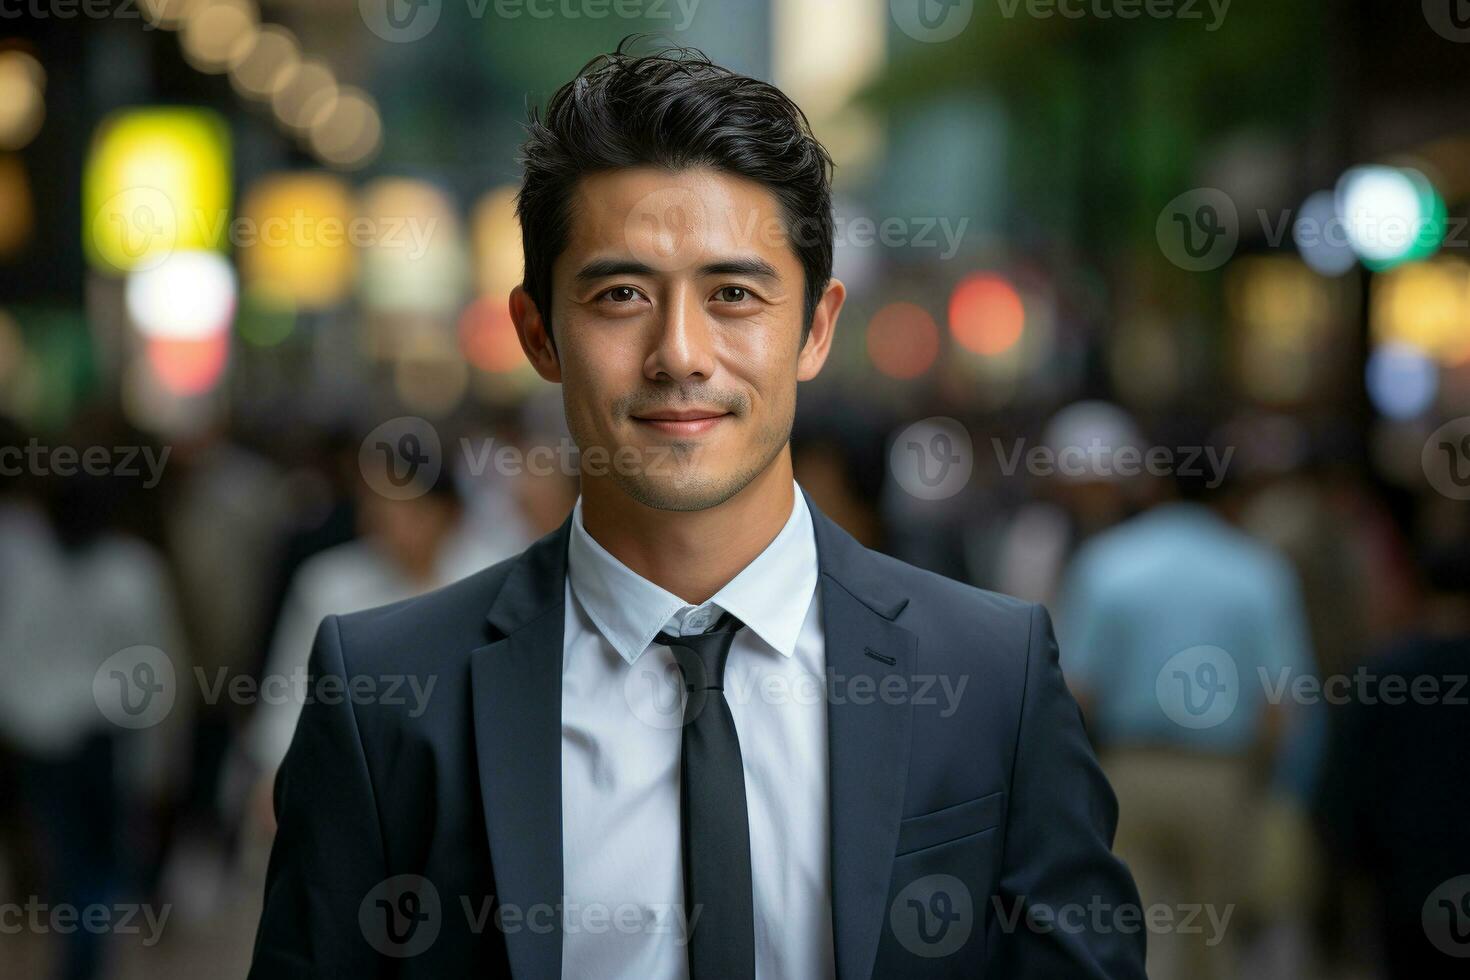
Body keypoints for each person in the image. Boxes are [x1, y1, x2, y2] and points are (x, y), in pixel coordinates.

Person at [249, 41, 1145, 979]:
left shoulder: (991, 676)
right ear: (537, 333)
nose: (680, 353)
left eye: (733, 294)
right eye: (622, 293)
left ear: (817, 327)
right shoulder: (388, 693)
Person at [1057, 457, 1314, 980]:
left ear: (1154, 487)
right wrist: (1263, 778)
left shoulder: (1108, 561)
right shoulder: (1258, 571)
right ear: (1234, 495)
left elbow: (1075, 690)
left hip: (1128, 773)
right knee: (1214, 940)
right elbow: (1281, 701)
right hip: (1221, 774)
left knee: (1134, 934)